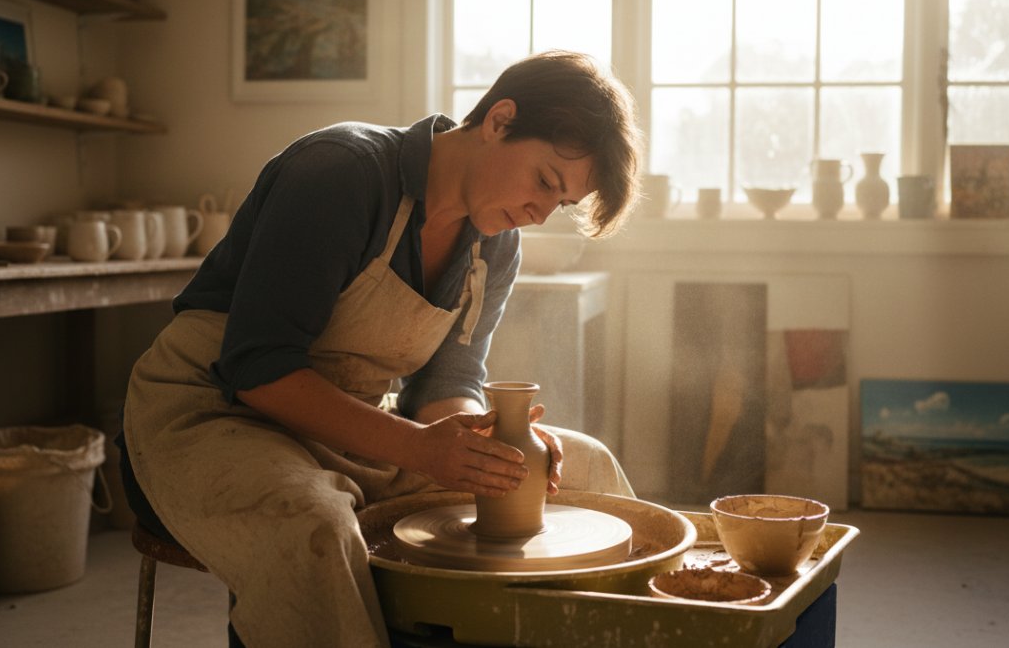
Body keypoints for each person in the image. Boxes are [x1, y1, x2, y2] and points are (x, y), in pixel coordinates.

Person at [117, 50, 644, 647]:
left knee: (587, 467)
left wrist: (475, 437)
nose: (540, 214)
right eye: (546, 181)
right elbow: (256, 365)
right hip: (210, 412)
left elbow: (447, 381)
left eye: (562, 203)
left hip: (350, 429)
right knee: (314, 527)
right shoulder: (342, 172)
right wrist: (420, 448)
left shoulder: (493, 247)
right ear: (498, 120)